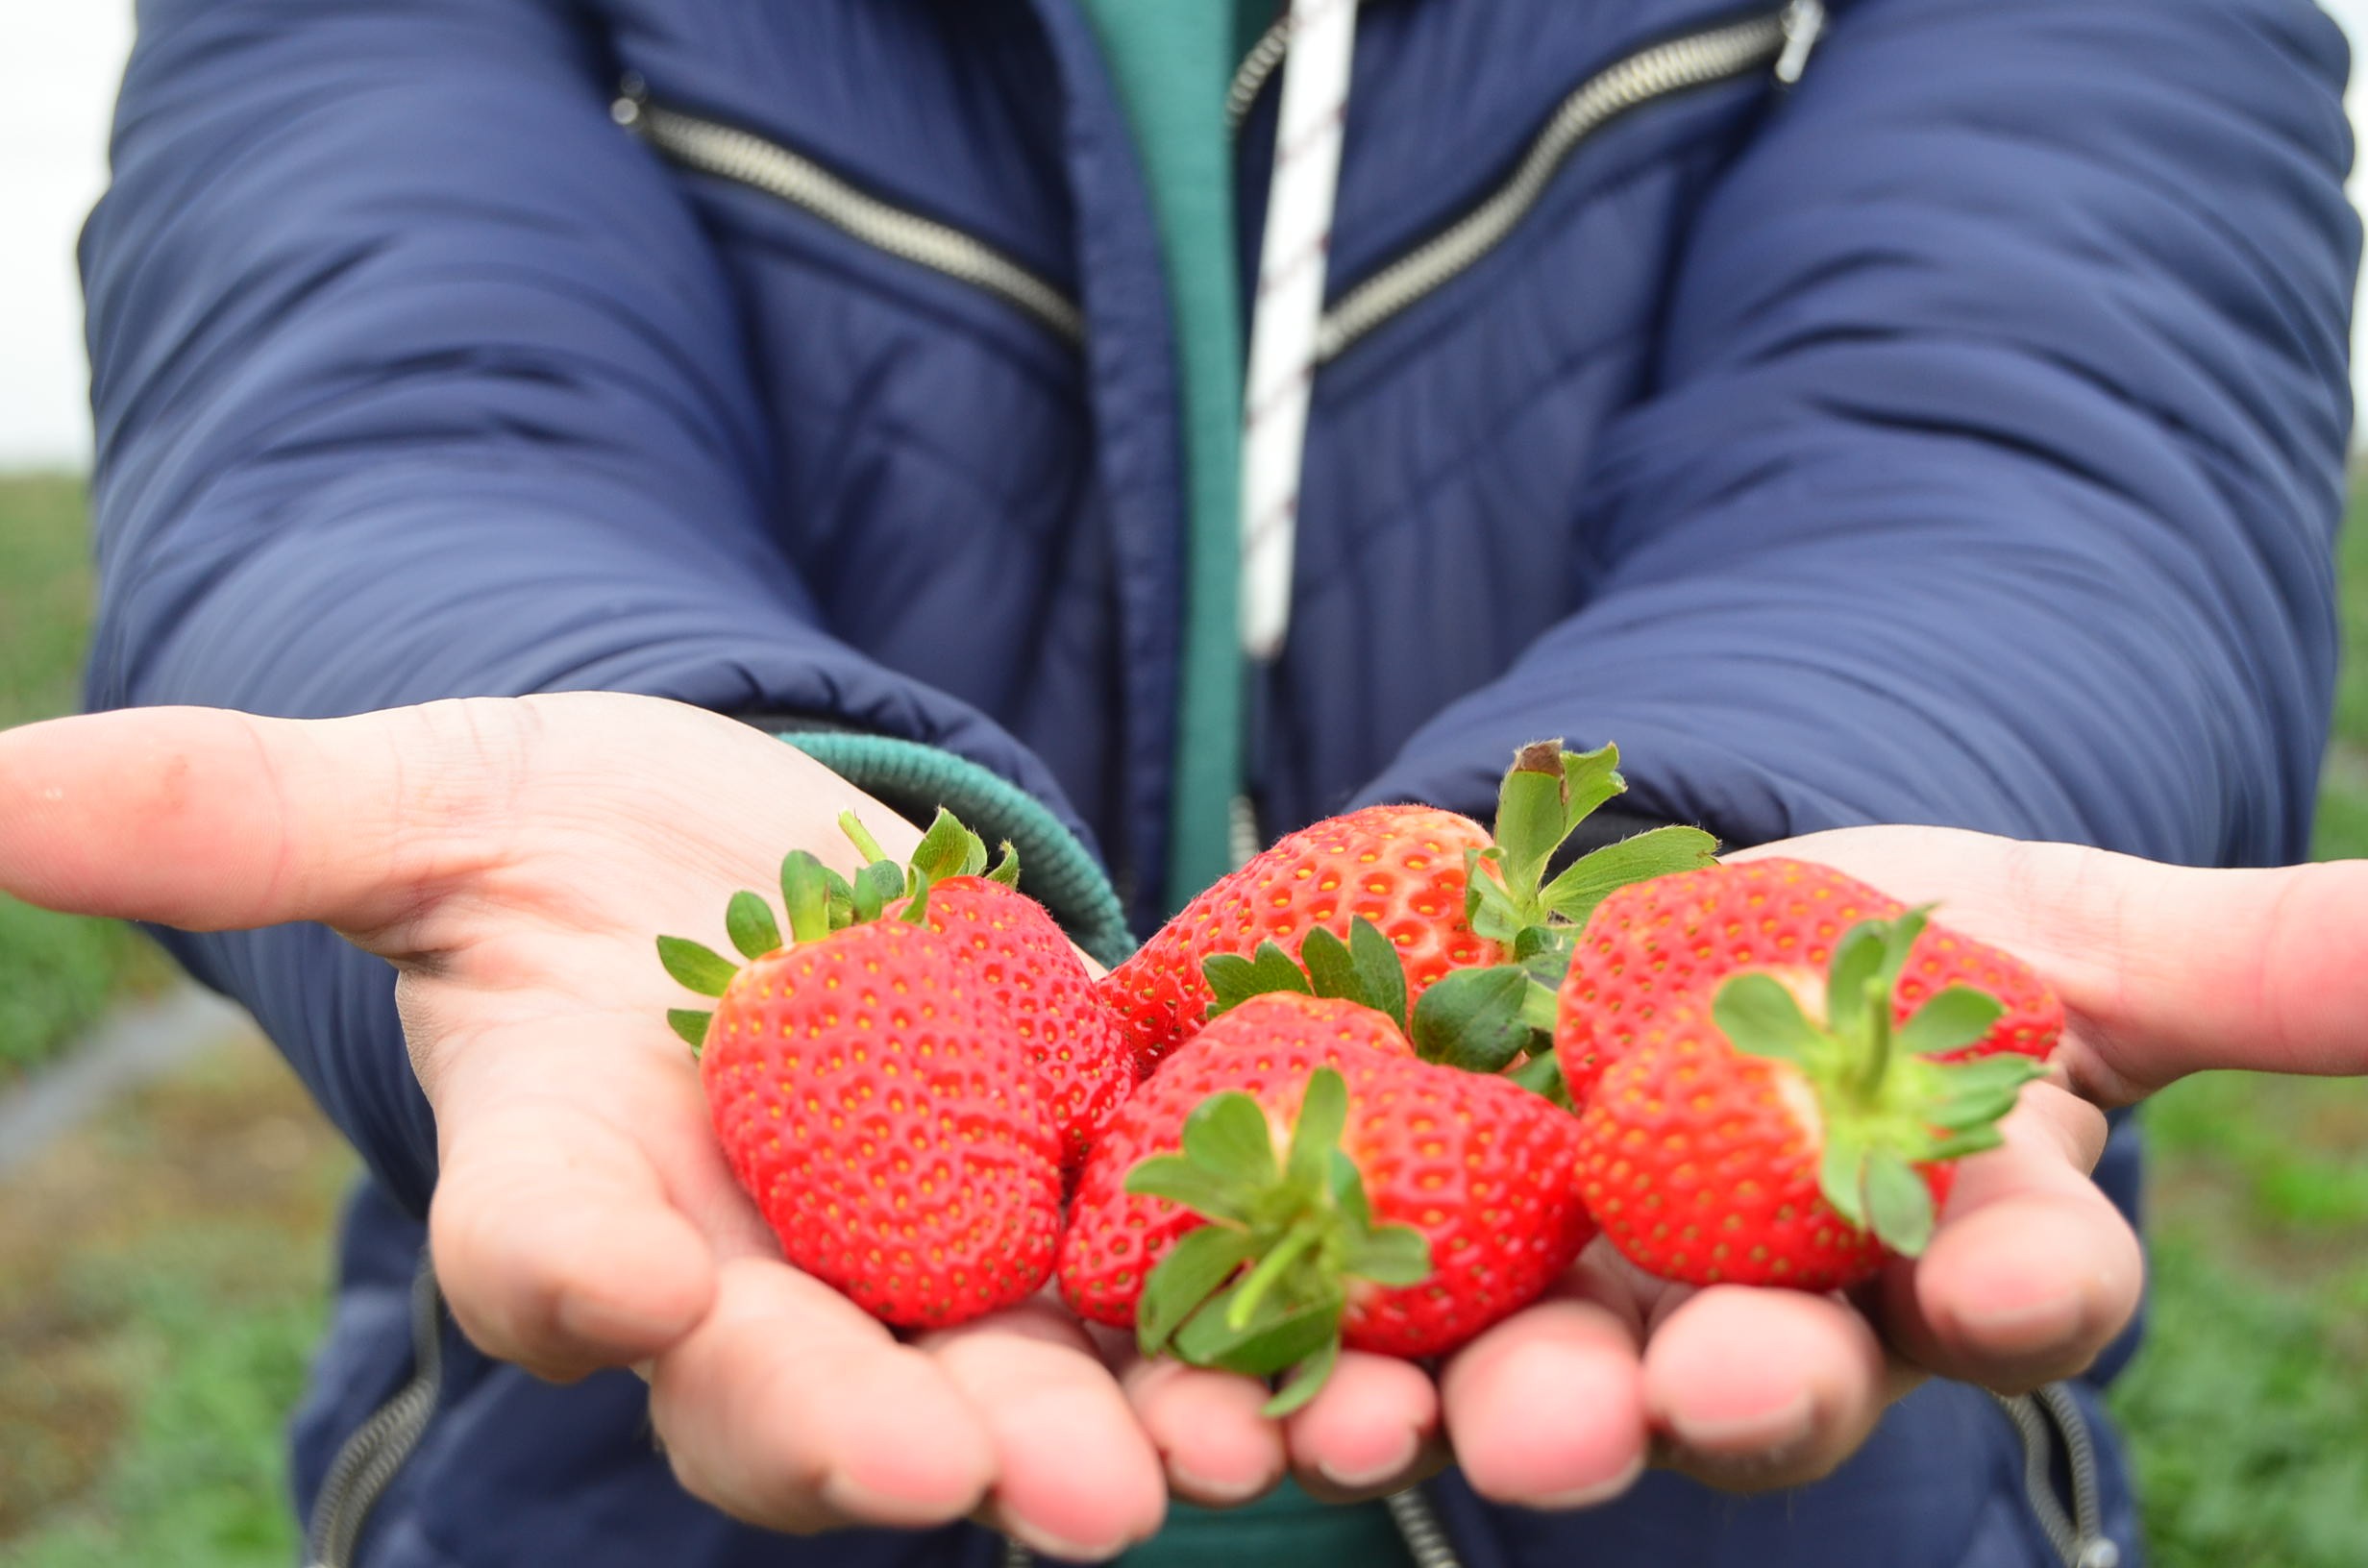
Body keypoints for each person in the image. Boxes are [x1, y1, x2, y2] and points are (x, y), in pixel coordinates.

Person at [12, 0, 2358, 1564]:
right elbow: (379, 385)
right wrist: (665, 745)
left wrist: (1719, 862)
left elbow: (2033, 416)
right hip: (621, 1485)